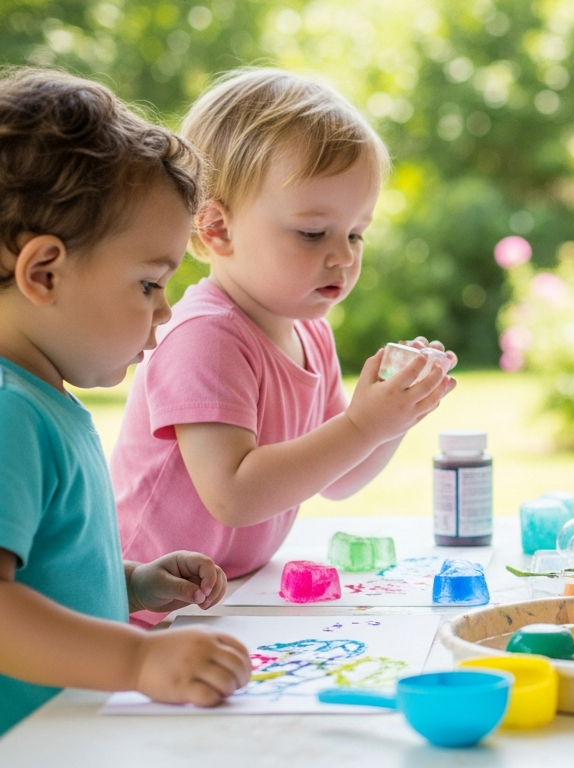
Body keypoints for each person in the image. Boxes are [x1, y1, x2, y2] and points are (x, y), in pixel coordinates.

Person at [112, 70, 455, 625]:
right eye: (313, 233)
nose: (343, 256)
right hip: (143, 612)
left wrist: (394, 416)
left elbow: (338, 476)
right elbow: (234, 494)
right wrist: (365, 425)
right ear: (218, 229)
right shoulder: (204, 337)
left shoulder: (309, 329)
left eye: (356, 233)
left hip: (225, 601)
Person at [0, 68, 250, 734]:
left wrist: (128, 581)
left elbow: (38, 570)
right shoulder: (8, 413)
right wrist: (139, 660)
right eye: (148, 284)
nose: (165, 311)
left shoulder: (38, 398)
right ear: (44, 272)